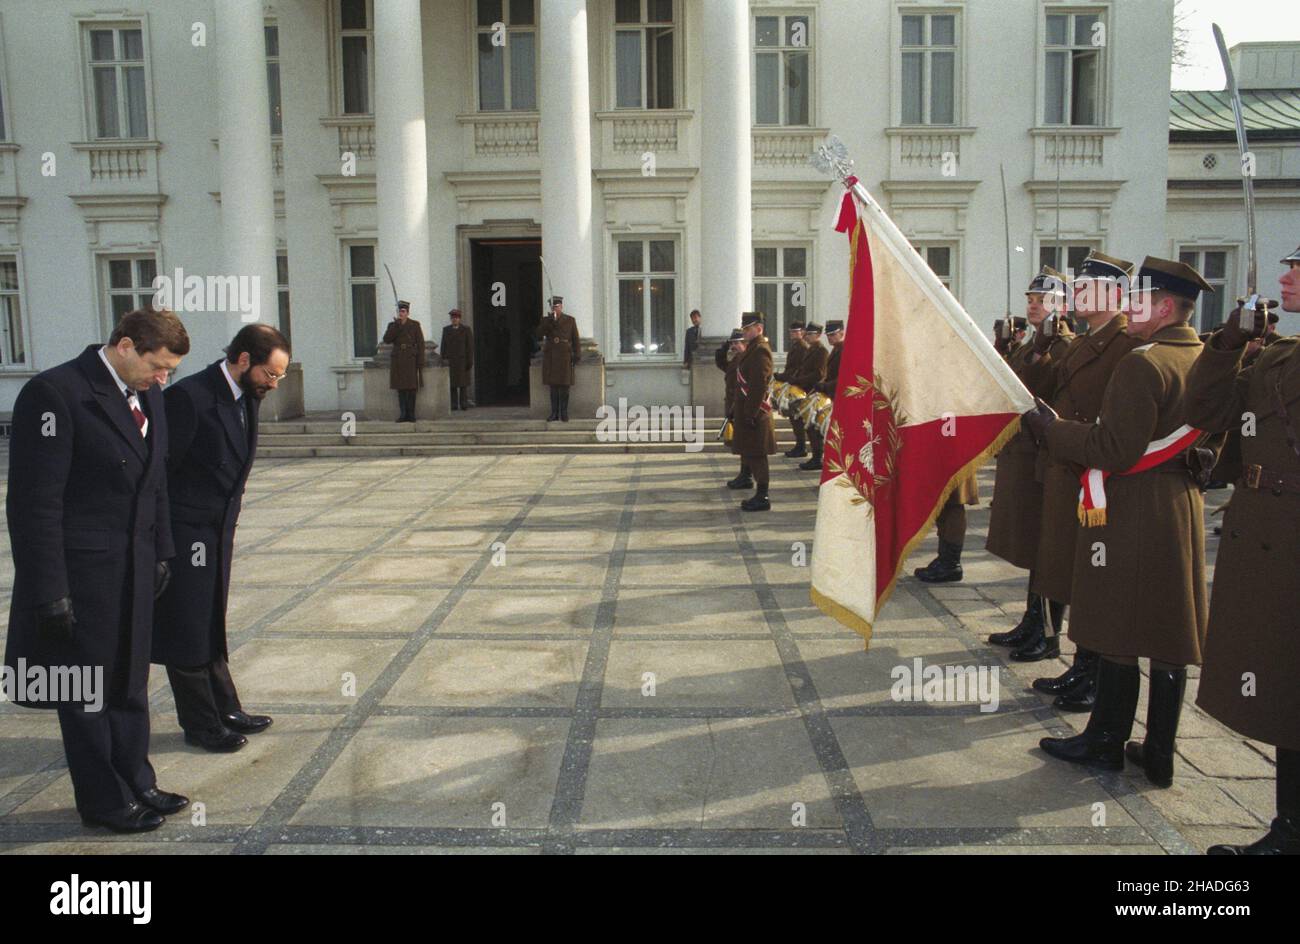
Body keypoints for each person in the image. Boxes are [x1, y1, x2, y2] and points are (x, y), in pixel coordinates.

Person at [1025, 256, 1215, 788]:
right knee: (1167, 628)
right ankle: (1158, 751)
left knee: (1118, 625)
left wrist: (1052, 429)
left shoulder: (1142, 362)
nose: (1124, 307)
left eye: (1134, 300)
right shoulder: (1198, 356)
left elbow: (1114, 447)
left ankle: (1105, 741)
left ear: (1162, 307)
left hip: (1133, 505)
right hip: (1178, 504)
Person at [3, 308, 191, 832]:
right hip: (80, 577)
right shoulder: (55, 394)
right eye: (159, 366)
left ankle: (138, 780)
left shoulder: (150, 394)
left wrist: (163, 553)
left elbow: (157, 486)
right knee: (84, 693)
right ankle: (104, 801)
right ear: (126, 346)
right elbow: (34, 505)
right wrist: (49, 591)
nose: (164, 379)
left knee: (130, 683)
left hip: (133, 568)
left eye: (171, 371)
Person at [1186, 244, 1300, 853]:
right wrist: (1229, 345)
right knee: (1280, 679)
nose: (1284, 277)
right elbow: (1206, 408)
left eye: (1297, 270)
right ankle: (1287, 829)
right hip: (1267, 536)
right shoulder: (1277, 355)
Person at [153, 324, 289, 754]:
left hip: (217, 533)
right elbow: (160, 476)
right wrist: (163, 545)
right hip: (185, 533)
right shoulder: (190, 398)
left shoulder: (246, 397)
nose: (274, 384)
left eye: (280, 377)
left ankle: (226, 708)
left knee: (210, 620)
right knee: (188, 627)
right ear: (244, 359)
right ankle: (201, 724)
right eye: (271, 374)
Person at [1013, 252, 1140, 674]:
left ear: (1117, 294)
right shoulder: (1085, 341)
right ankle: (1065, 651)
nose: (1076, 294)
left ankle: (1086, 666)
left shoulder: (1126, 344)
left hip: (1093, 471)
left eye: (1086, 287)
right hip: (1063, 461)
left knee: (1088, 572)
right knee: (1058, 558)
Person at [986, 272, 1072, 646]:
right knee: (1033, 544)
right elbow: (1005, 385)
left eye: (1043, 298)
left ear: (1063, 306)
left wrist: (1041, 350)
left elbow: (1037, 390)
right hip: (1023, 457)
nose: (1033, 303)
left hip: (1046, 460)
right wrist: (1003, 348)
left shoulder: (1066, 346)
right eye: (1031, 298)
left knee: (1049, 548)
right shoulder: (1034, 344)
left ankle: (1049, 633)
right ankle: (1032, 620)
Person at [730, 312, 778, 511]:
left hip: (756, 414)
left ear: (759, 328)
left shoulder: (760, 350)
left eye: (748, 328)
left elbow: (759, 385)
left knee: (758, 456)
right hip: (748, 411)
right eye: (744, 329)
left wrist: (750, 413)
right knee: (752, 454)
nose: (745, 332)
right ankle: (759, 493)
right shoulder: (753, 349)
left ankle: (763, 496)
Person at [800, 320, 844, 471]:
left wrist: (825, 385)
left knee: (829, 430)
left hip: (838, 396)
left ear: (842, 333)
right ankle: (819, 457)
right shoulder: (835, 349)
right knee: (815, 427)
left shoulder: (843, 350)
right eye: (829, 335)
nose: (830, 338)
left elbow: (844, 377)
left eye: (833, 334)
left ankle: (830, 460)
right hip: (829, 394)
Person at [716, 329, 751, 489]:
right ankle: (744, 474)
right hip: (733, 404)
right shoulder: (737, 358)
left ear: (745, 343)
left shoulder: (746, 359)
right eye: (733, 343)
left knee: (745, 444)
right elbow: (722, 364)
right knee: (740, 443)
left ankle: (747, 475)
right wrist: (723, 349)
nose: (734, 346)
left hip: (740, 406)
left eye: (737, 343)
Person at [786, 323, 827, 460]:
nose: (807, 336)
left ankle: (817, 456)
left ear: (818, 335)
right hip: (803, 390)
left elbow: (818, 374)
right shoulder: (810, 349)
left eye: (810, 334)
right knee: (801, 421)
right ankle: (803, 447)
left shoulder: (821, 351)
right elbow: (801, 368)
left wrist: (798, 380)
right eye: (807, 334)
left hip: (812, 391)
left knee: (813, 425)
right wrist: (795, 378)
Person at [382, 300, 426, 423]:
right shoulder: (393, 325)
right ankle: (403, 414)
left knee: (412, 388)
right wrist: (397, 325)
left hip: (411, 359)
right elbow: (387, 339)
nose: (401, 313)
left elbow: (421, 343)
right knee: (401, 389)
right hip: (398, 360)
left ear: (407, 312)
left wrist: (420, 361)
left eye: (403, 311)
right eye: (399, 311)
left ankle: (411, 414)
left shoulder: (415, 325)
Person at [538, 295, 580, 422]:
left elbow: (575, 339)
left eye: (557, 306)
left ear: (561, 306)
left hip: (565, 356)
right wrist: (550, 322)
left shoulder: (569, 320)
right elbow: (539, 333)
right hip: (551, 356)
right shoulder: (546, 320)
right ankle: (554, 413)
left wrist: (577, 354)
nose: (555, 309)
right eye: (553, 307)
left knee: (565, 386)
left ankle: (564, 412)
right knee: (554, 387)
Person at [441, 308, 475, 411]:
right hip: (451, 360)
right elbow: (444, 345)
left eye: (456, 317)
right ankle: (454, 404)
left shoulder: (466, 330)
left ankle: (464, 403)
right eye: (453, 318)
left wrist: (470, 360)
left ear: (459, 318)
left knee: (463, 384)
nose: (454, 319)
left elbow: (469, 346)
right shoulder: (446, 330)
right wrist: (444, 358)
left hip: (462, 360)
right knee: (453, 384)